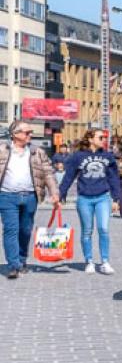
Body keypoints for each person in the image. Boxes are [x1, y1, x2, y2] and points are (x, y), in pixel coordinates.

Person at [0, 120, 61, 280]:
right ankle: (13, 265)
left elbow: (48, 173)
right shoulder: (2, 150)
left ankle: (21, 259)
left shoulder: (37, 152)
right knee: (11, 229)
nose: (30, 135)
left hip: (30, 197)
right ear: (15, 135)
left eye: (30, 132)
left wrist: (54, 193)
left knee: (25, 231)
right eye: (27, 132)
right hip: (7, 196)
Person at [58, 128, 121, 274]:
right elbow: (69, 176)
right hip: (84, 198)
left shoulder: (108, 156)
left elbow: (113, 178)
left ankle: (105, 261)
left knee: (103, 229)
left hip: (103, 197)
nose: (103, 140)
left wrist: (116, 198)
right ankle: (89, 261)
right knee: (87, 231)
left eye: (104, 137)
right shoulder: (78, 156)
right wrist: (61, 194)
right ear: (90, 139)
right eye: (100, 137)